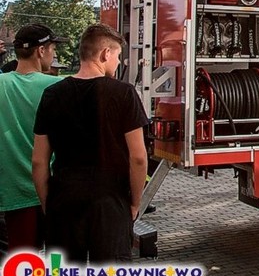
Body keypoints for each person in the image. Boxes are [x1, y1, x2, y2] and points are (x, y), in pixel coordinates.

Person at [32, 23, 149, 263]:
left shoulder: (52, 94)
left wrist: (48, 204)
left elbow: (38, 161)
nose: (117, 63)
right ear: (105, 54)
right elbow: (138, 158)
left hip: (64, 199)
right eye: (117, 56)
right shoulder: (123, 93)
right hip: (110, 201)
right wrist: (135, 203)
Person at [0, 25, 65, 263]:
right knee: (59, 263)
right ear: (41, 51)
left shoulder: (1, 84)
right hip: (55, 189)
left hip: (15, 191)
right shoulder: (56, 88)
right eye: (52, 49)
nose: (53, 55)